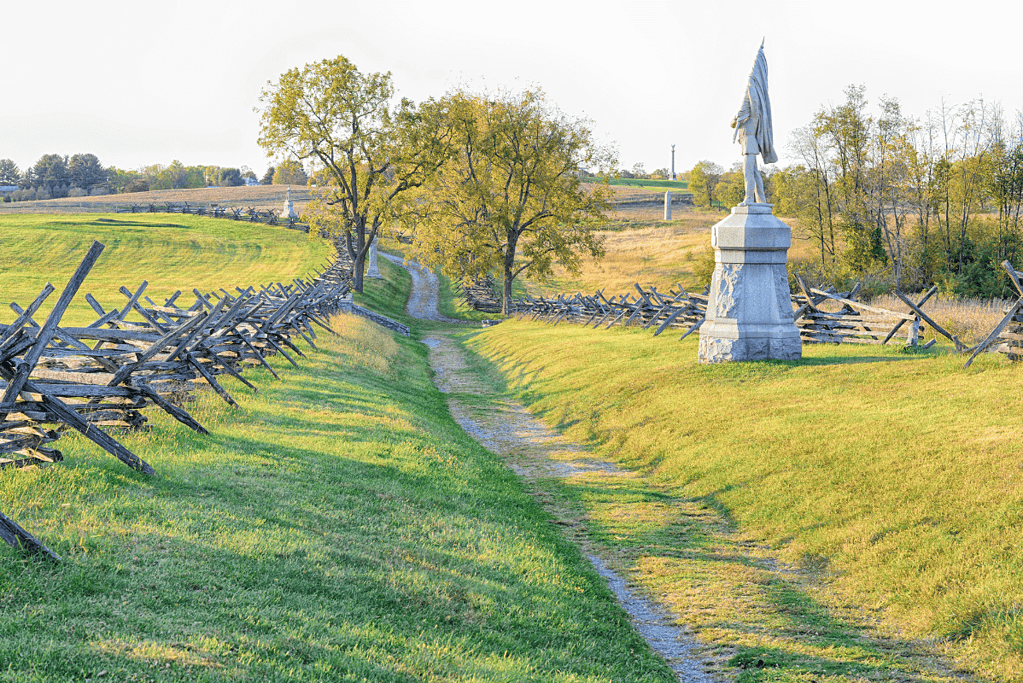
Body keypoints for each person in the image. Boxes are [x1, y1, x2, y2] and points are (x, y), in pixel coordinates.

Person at [730, 42, 778, 205]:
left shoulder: (751, 83)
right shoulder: (745, 112)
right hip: (745, 140)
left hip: (750, 139)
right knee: (755, 172)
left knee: (747, 171)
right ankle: (761, 199)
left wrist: (754, 118)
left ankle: (749, 198)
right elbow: (740, 116)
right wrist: (737, 118)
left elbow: (755, 104)